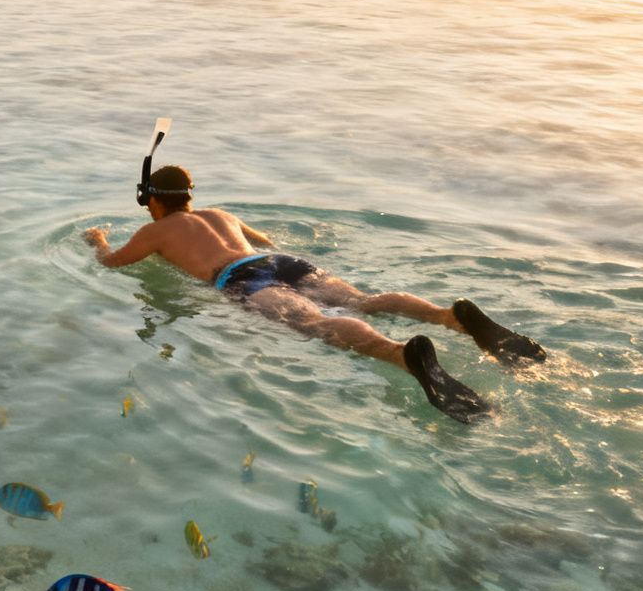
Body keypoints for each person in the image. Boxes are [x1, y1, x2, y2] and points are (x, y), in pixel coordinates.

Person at [83, 165, 545, 422]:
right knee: (361, 299)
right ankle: (449, 316)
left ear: (154, 202)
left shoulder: (157, 230)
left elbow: (111, 264)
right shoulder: (220, 213)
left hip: (241, 280)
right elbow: (264, 240)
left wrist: (98, 241)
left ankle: (401, 354)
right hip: (282, 262)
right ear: (190, 195)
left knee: (315, 323)